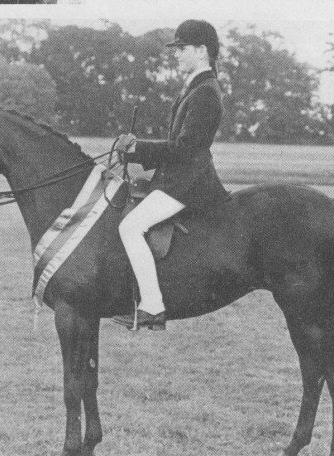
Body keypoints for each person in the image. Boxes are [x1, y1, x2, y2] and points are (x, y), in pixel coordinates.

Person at [112, 19, 229, 331]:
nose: (177, 54)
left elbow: (187, 147)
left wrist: (138, 150)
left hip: (188, 185)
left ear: (202, 50)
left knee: (130, 227)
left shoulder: (204, 92)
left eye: (182, 48)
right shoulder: (196, 87)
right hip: (178, 179)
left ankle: (152, 306)